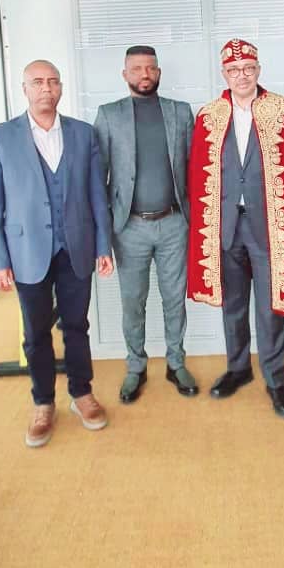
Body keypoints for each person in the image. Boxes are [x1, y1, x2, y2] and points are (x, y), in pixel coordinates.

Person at [0, 59, 113, 448]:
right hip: (25, 250)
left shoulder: (83, 134)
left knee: (76, 326)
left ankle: (82, 393)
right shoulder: (0, 136)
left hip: (77, 246)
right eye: (37, 82)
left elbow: (97, 195)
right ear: (24, 89)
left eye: (53, 81)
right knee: (36, 332)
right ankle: (42, 403)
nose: (46, 88)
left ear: (61, 88)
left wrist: (103, 245)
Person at [187, 38, 284, 417]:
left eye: (247, 69)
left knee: (269, 308)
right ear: (224, 73)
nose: (241, 76)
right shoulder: (208, 116)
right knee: (233, 303)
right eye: (233, 70)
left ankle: (276, 379)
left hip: (272, 228)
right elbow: (197, 177)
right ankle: (238, 368)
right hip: (225, 226)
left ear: (258, 70)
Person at [94, 46, 198, 402]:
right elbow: (97, 178)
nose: (144, 74)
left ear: (159, 72)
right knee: (132, 301)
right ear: (125, 74)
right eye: (136, 68)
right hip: (129, 228)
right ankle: (135, 366)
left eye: (150, 68)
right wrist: (102, 234)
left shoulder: (180, 112)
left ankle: (176, 362)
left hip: (174, 224)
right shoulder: (108, 115)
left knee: (174, 299)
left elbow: (195, 169)